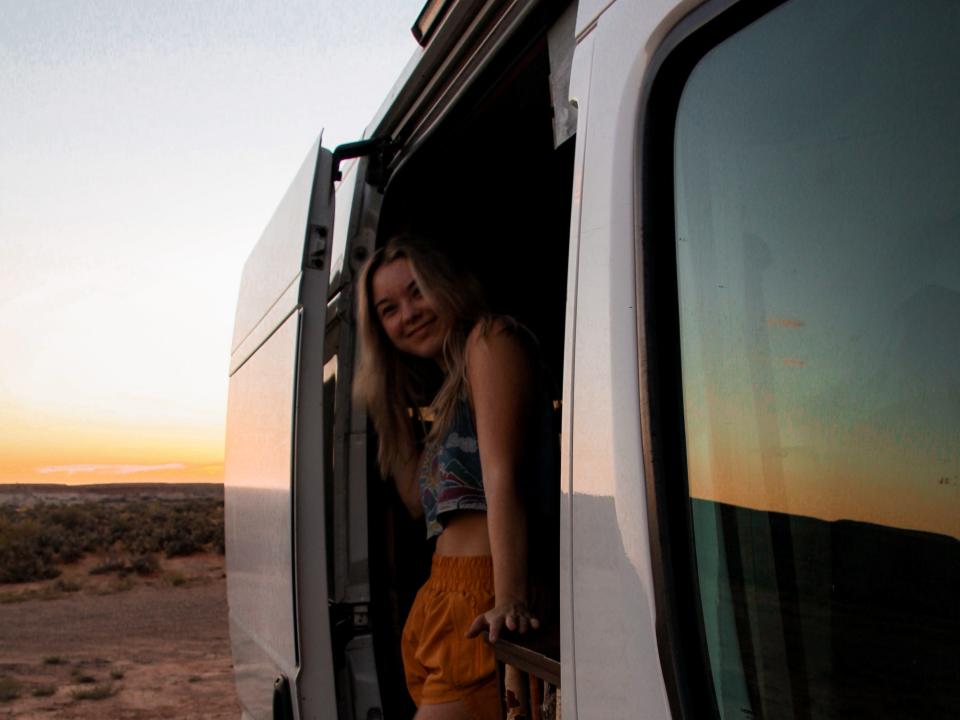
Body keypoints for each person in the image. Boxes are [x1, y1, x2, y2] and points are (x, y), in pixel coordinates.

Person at [354, 234, 553, 720]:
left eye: (418, 291)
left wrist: (509, 599)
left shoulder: (491, 340)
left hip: (483, 594)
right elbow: (416, 504)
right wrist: (385, 398)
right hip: (440, 597)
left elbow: (501, 474)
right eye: (388, 309)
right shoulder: (450, 388)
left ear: (449, 285)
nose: (409, 313)